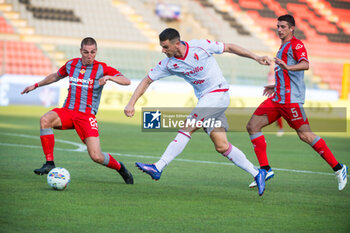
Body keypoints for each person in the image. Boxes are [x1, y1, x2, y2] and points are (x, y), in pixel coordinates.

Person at [124, 28, 271, 196]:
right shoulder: (169, 63)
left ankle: (158, 167)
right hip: (207, 101)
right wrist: (131, 103)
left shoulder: (200, 47)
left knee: (187, 126)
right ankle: (257, 173)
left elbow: (229, 47)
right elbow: (147, 80)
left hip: (218, 93)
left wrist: (257, 58)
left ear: (177, 44)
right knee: (222, 146)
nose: (163, 51)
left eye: (165, 47)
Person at [246, 14, 347, 192]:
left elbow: (305, 64)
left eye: (283, 26)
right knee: (252, 126)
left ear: (292, 28)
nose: (279, 29)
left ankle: (339, 168)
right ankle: (265, 169)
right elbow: (285, 74)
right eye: (278, 26)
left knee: (305, 136)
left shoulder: (296, 44)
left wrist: (288, 67)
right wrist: (275, 85)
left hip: (291, 101)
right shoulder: (282, 46)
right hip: (277, 98)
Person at [21, 37, 134, 184]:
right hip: (68, 111)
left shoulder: (102, 68)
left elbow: (127, 81)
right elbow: (56, 76)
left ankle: (121, 168)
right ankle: (49, 163)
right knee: (45, 120)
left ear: (96, 52)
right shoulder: (71, 64)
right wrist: (36, 85)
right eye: (86, 52)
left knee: (96, 156)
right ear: (81, 51)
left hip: (86, 116)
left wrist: (109, 77)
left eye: (92, 52)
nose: (89, 55)